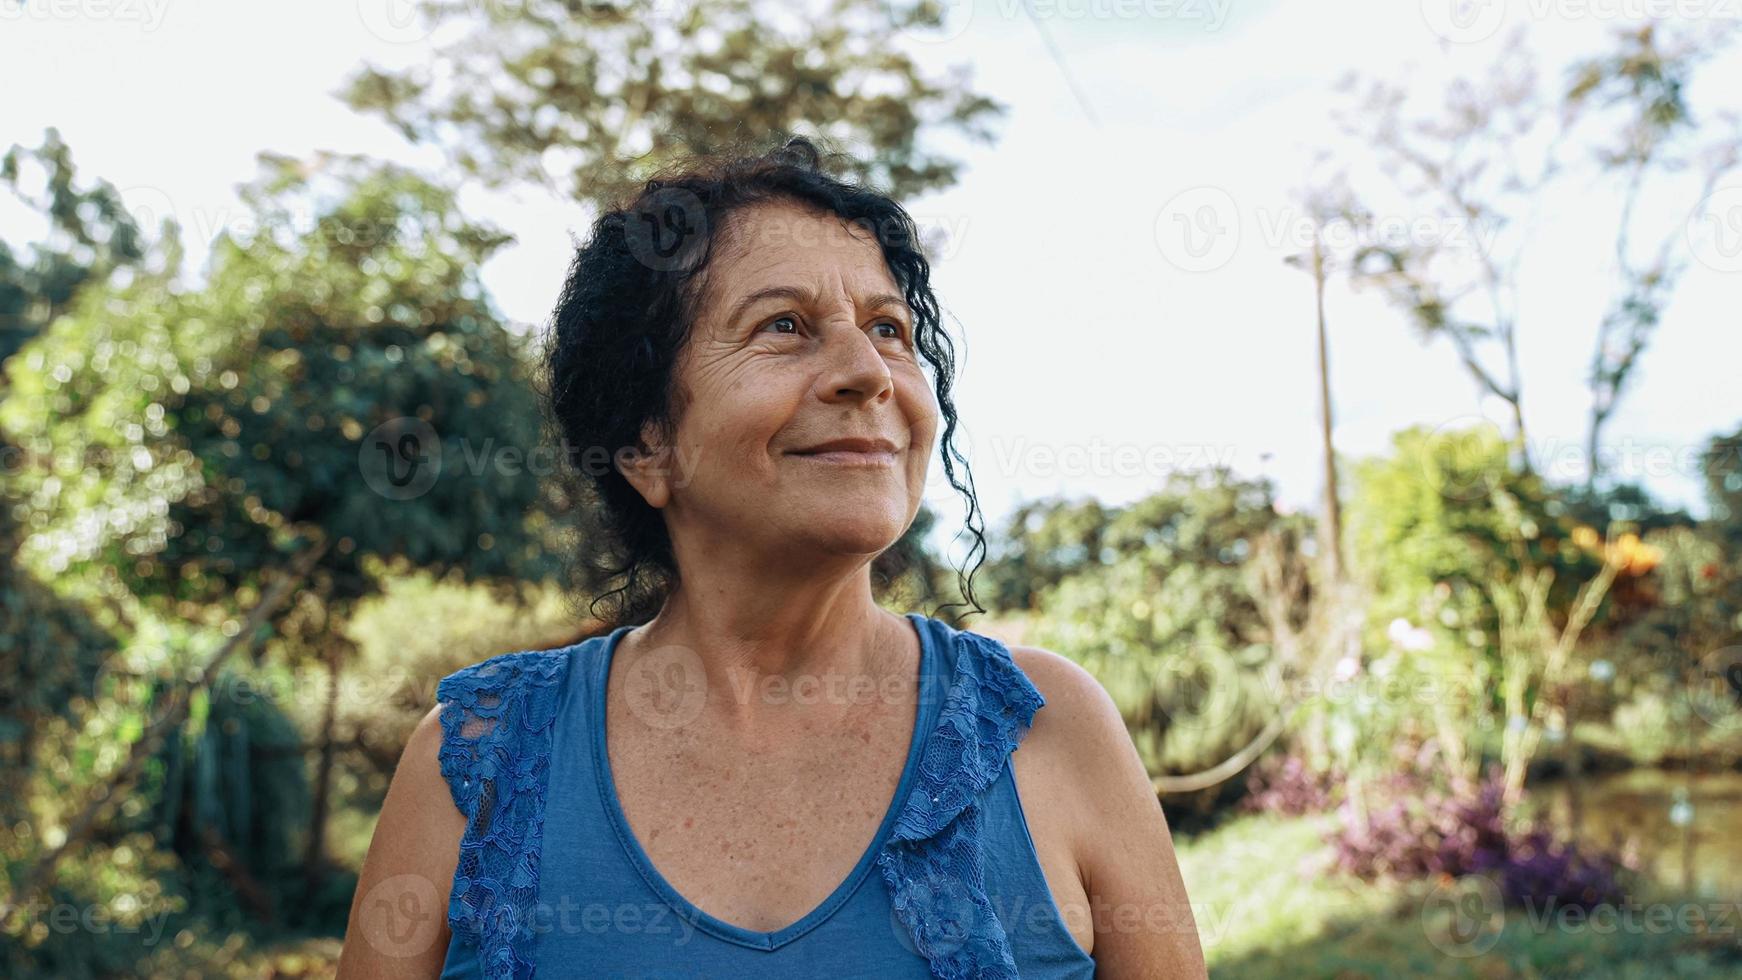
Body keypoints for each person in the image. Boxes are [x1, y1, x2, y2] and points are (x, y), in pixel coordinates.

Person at [337, 135, 1207, 979]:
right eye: (785, 326)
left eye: (890, 328)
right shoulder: (473, 763)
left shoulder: (1053, 731)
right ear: (646, 444)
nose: (868, 372)